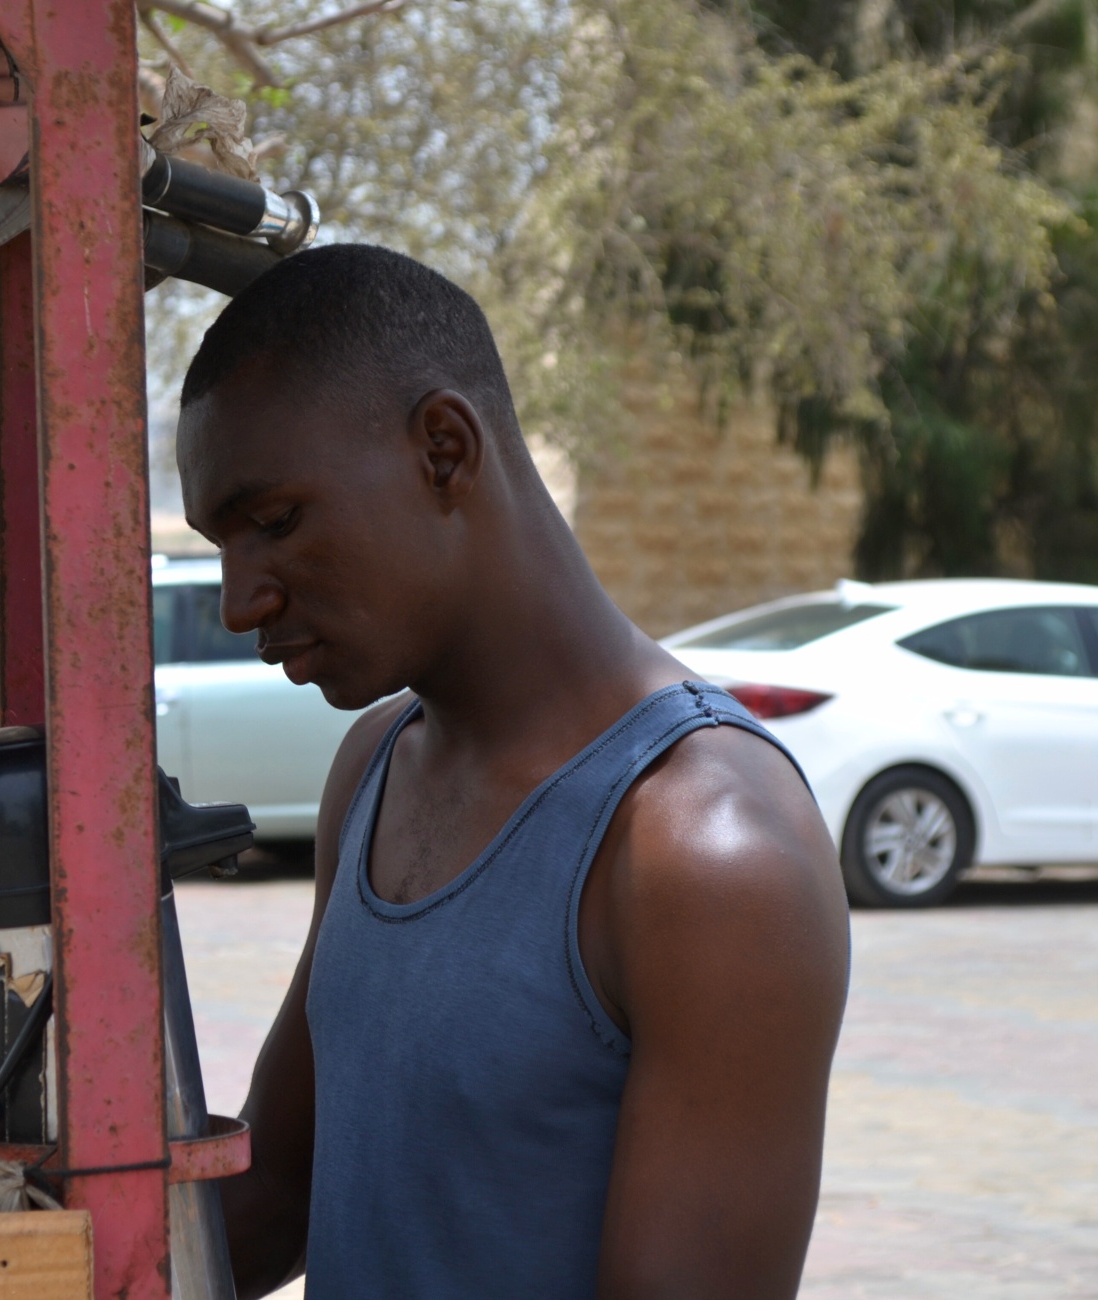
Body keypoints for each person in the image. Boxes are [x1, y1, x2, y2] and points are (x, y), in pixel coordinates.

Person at [177, 245, 851, 1299]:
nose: (238, 601)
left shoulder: (705, 852)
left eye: (275, 523)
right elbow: (279, 1197)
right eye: (225, 546)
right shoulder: (372, 771)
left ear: (443, 450)